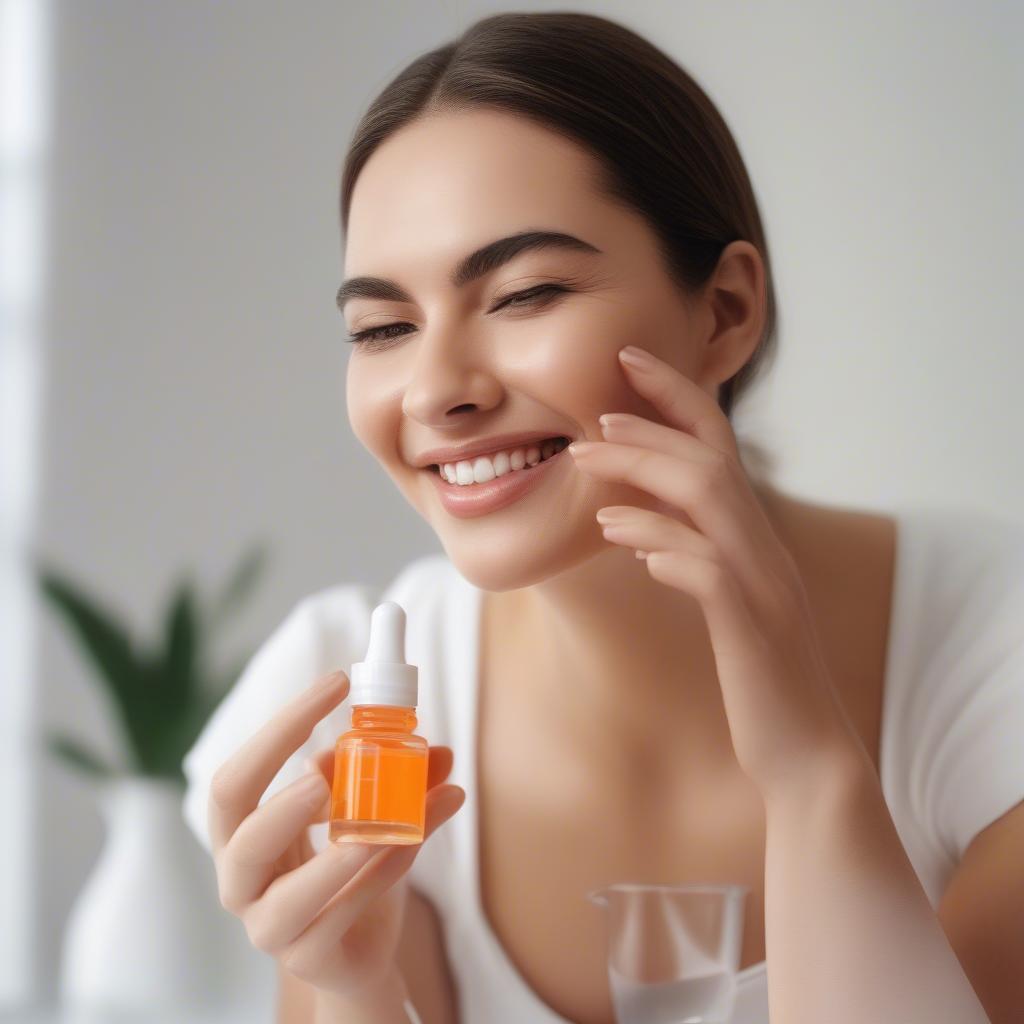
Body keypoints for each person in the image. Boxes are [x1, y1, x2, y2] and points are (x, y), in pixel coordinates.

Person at [182, 11, 1024, 1024]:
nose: (435, 390)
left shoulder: (990, 659)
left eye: (525, 292)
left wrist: (808, 770)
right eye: (383, 327)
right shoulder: (361, 715)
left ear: (723, 311)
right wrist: (357, 988)